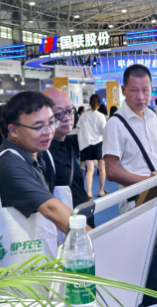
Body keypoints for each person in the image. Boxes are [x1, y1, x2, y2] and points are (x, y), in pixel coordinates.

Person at [0, 91, 83, 234]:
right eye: (38, 127)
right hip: (16, 243)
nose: (48, 131)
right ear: (13, 130)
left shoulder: (39, 154)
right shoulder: (10, 163)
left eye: (51, 123)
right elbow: (51, 209)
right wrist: (87, 237)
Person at [103, 64, 157, 214]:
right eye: (134, 90)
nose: (141, 97)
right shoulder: (115, 123)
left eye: (145, 90)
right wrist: (151, 183)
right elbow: (112, 172)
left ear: (151, 88)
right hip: (136, 203)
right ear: (123, 90)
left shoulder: (152, 116)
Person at [42, 88, 95, 228]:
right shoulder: (42, 154)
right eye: (59, 114)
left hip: (82, 225)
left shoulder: (68, 143)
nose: (67, 118)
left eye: (70, 111)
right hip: (68, 230)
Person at [76, 94, 107, 199]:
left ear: (89, 103)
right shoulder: (101, 116)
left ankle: (89, 192)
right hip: (99, 144)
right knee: (102, 169)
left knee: (89, 170)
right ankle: (101, 191)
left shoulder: (83, 115)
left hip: (87, 145)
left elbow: (77, 127)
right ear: (99, 104)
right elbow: (104, 131)